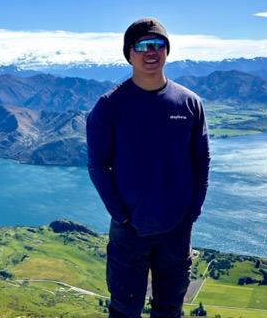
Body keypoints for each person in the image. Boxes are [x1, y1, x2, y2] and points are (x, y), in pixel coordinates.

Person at [86, 17, 211, 318]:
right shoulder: (110, 106)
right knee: (124, 309)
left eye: (157, 44)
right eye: (141, 46)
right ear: (129, 54)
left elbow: (201, 161)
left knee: (170, 309)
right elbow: (98, 165)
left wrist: (191, 212)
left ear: (167, 51)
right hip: (129, 231)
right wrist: (120, 215)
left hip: (176, 229)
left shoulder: (189, 103)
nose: (150, 51)